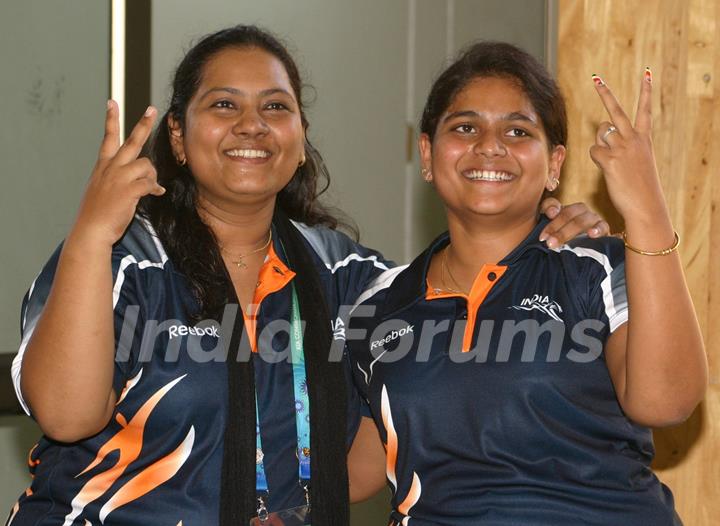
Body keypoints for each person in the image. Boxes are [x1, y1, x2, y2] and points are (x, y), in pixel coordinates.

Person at [6, 26, 609, 526]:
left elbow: (470, 310)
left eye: (275, 107)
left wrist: (546, 236)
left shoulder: (348, 279)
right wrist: (90, 232)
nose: (251, 125)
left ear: (300, 139)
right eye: (223, 105)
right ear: (178, 138)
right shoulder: (121, 261)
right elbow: (65, 415)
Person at [347, 42, 707, 525]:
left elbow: (666, 401)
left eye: (518, 130)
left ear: (555, 165)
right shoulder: (380, 307)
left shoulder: (599, 268)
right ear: (428, 154)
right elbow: (355, 474)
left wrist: (646, 209)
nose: (490, 145)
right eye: (465, 127)